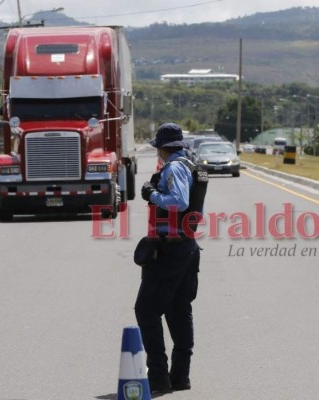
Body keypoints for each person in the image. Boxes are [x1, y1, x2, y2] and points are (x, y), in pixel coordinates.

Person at [135, 123, 201, 394]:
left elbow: (178, 202)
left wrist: (152, 194)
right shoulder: (189, 164)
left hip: (170, 249)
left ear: (162, 148)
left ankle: (159, 378)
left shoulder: (174, 168)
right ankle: (180, 377)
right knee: (177, 308)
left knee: (147, 310)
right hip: (185, 247)